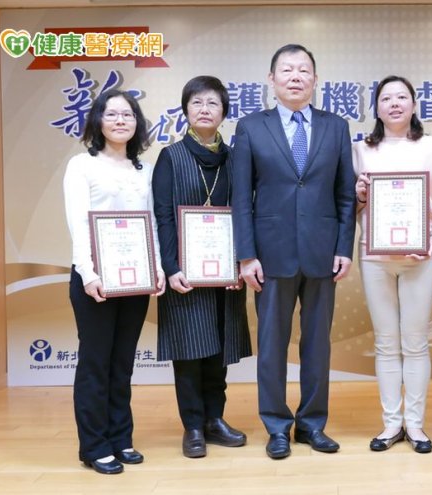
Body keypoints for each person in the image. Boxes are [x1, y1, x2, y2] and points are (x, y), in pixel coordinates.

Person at [232, 44, 356, 459]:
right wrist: (246, 255)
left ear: (316, 80)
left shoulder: (336, 127)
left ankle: (312, 424)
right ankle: (276, 426)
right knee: (271, 346)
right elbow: (241, 197)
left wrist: (344, 247)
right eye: (287, 70)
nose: (296, 76)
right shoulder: (251, 127)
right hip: (270, 255)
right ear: (271, 80)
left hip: (322, 253)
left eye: (304, 70)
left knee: (317, 345)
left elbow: (344, 195)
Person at [354, 75, 432, 454]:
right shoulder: (359, 150)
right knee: (386, 343)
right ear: (376, 107)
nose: (395, 103)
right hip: (375, 258)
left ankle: (415, 425)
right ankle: (391, 424)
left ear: (414, 104)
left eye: (402, 97)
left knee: (415, 342)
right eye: (386, 98)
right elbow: (347, 206)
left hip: (422, 257)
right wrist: (359, 196)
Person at [63, 89, 166, 475]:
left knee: (122, 363)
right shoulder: (81, 165)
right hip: (95, 280)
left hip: (136, 279)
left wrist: (156, 267)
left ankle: (121, 437)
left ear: (137, 123)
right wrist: (88, 273)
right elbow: (77, 222)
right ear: (98, 121)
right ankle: (94, 446)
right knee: (95, 363)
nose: (120, 120)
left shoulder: (144, 170)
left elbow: (152, 223)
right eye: (112, 114)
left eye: (128, 114)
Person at [152, 76, 252, 459]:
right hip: (184, 274)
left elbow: (246, 212)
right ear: (186, 111)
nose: (204, 109)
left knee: (218, 350)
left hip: (225, 274)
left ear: (224, 112)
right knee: (189, 352)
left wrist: (240, 263)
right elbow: (163, 215)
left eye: (212, 103)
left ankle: (215, 420)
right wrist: (171, 267)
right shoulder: (171, 157)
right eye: (196, 102)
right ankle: (193, 425)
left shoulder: (235, 159)